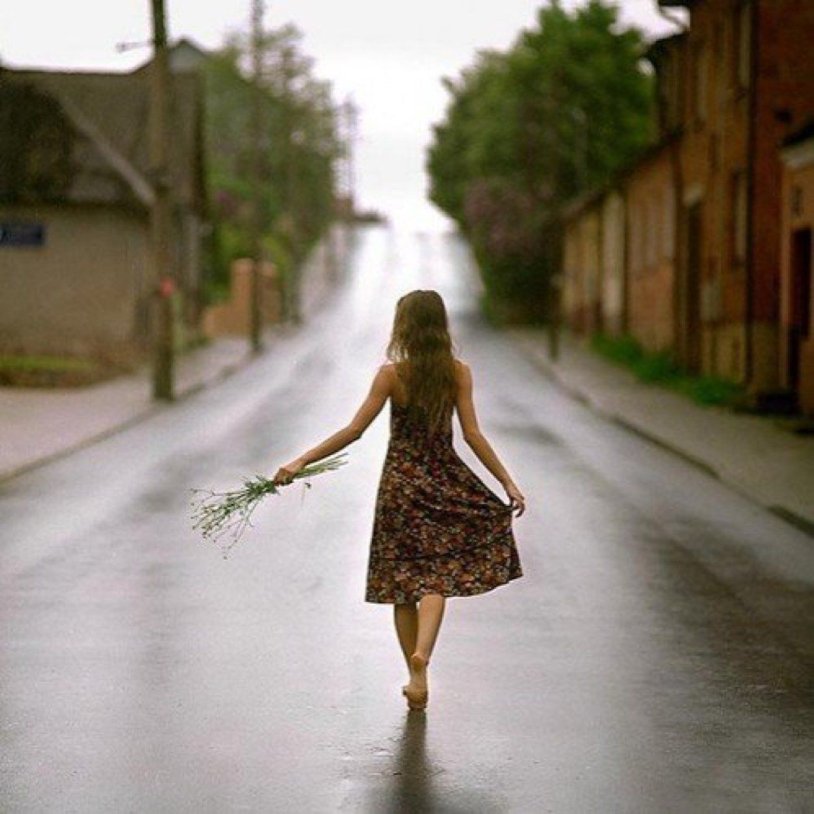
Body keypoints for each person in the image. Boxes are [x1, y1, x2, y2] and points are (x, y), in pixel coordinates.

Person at [274, 289, 525, 711]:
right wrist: (508, 483)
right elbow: (472, 435)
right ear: (441, 326)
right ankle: (424, 654)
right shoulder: (458, 373)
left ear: (403, 326)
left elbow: (353, 431)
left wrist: (300, 460)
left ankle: (415, 675)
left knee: (402, 586)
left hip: (400, 488)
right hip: (445, 481)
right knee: (438, 577)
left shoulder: (391, 376)